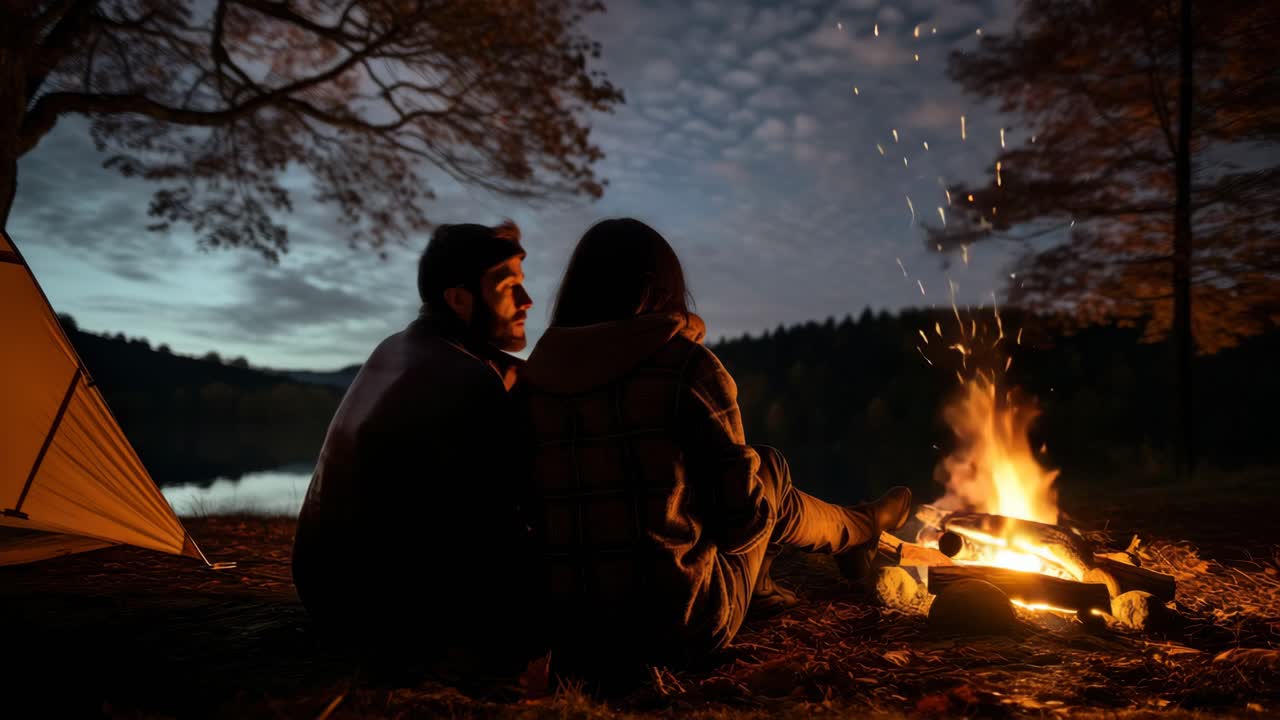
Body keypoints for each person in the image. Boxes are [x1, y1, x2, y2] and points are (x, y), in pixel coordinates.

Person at [515, 218, 912, 680]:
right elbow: (740, 526)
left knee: (749, 475)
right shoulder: (686, 367)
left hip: (575, 638)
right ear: (650, 293)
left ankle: (833, 545)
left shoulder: (529, 386)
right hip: (679, 627)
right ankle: (862, 528)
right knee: (771, 470)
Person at [292, 220, 535, 668]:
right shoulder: (470, 379)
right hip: (398, 621)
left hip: (328, 596)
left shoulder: (394, 348)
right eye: (508, 285)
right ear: (459, 298)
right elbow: (521, 514)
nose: (527, 301)